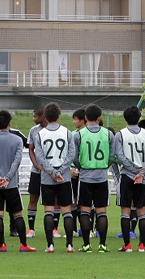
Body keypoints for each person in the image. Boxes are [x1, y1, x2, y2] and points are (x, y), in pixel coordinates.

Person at [0, 110, 36, 253]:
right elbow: (16, 161)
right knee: (17, 214)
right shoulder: (17, 140)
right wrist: (7, 178)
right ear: (9, 123)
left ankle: (2, 245)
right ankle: (23, 245)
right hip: (11, 184)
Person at [33, 102, 76, 253]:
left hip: (47, 178)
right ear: (59, 116)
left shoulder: (40, 134)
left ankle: (50, 245)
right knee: (67, 211)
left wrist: (51, 171)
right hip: (64, 177)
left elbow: (39, 156)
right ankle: (69, 245)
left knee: (48, 211)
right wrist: (61, 170)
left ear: (46, 116)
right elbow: (72, 154)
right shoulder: (66, 132)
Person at [72, 104, 115, 253]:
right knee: (101, 211)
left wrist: (81, 167)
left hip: (85, 177)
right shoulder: (108, 134)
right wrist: (104, 166)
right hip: (101, 177)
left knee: (84, 211)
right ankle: (102, 245)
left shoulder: (79, 134)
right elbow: (112, 156)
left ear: (85, 118)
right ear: (99, 118)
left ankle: (86, 245)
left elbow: (74, 156)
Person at [114, 106, 145, 252]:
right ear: (139, 118)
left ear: (125, 118)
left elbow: (119, 156)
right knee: (142, 210)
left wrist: (132, 170)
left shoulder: (120, 134)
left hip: (127, 175)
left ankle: (127, 245)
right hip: (142, 177)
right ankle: (142, 245)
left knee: (125, 210)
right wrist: (141, 172)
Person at [26, 107, 47, 239]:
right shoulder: (33, 131)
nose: (34, 119)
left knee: (54, 199)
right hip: (37, 171)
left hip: (52, 171)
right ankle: (31, 229)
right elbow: (31, 150)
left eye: (35, 116)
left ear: (42, 116)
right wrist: (37, 165)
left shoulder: (56, 129)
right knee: (33, 197)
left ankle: (54, 229)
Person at [70, 108, 86, 237]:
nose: (73, 121)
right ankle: (74, 229)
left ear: (82, 120)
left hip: (86, 172)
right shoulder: (71, 134)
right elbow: (69, 154)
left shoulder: (87, 134)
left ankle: (87, 229)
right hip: (74, 172)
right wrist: (70, 169)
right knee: (73, 201)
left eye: (75, 119)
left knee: (86, 202)